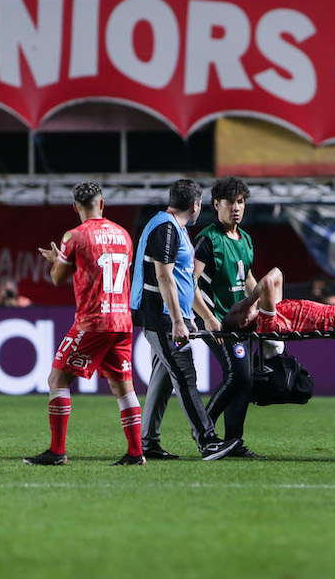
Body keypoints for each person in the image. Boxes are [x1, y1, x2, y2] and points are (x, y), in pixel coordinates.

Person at [24, 182, 144, 466]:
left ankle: (56, 452)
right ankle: (136, 453)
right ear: (102, 204)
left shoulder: (74, 236)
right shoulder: (124, 235)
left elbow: (57, 278)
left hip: (94, 321)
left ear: (75, 206)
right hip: (122, 321)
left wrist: (57, 260)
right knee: (123, 387)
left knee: (57, 379)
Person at [130, 179, 240, 461]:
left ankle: (148, 443)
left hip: (167, 315)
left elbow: (181, 282)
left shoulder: (170, 227)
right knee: (185, 374)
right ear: (196, 205)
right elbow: (165, 277)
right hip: (162, 318)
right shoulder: (167, 230)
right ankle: (207, 440)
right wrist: (179, 321)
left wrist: (204, 317)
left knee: (164, 378)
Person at [192, 176, 260, 458]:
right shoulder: (208, 239)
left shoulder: (244, 239)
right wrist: (207, 318)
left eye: (241, 202)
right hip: (215, 320)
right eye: (230, 202)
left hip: (238, 321)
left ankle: (233, 442)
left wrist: (264, 307)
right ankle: (203, 429)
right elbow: (189, 285)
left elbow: (248, 280)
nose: (236, 208)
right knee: (238, 375)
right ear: (216, 204)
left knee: (245, 378)